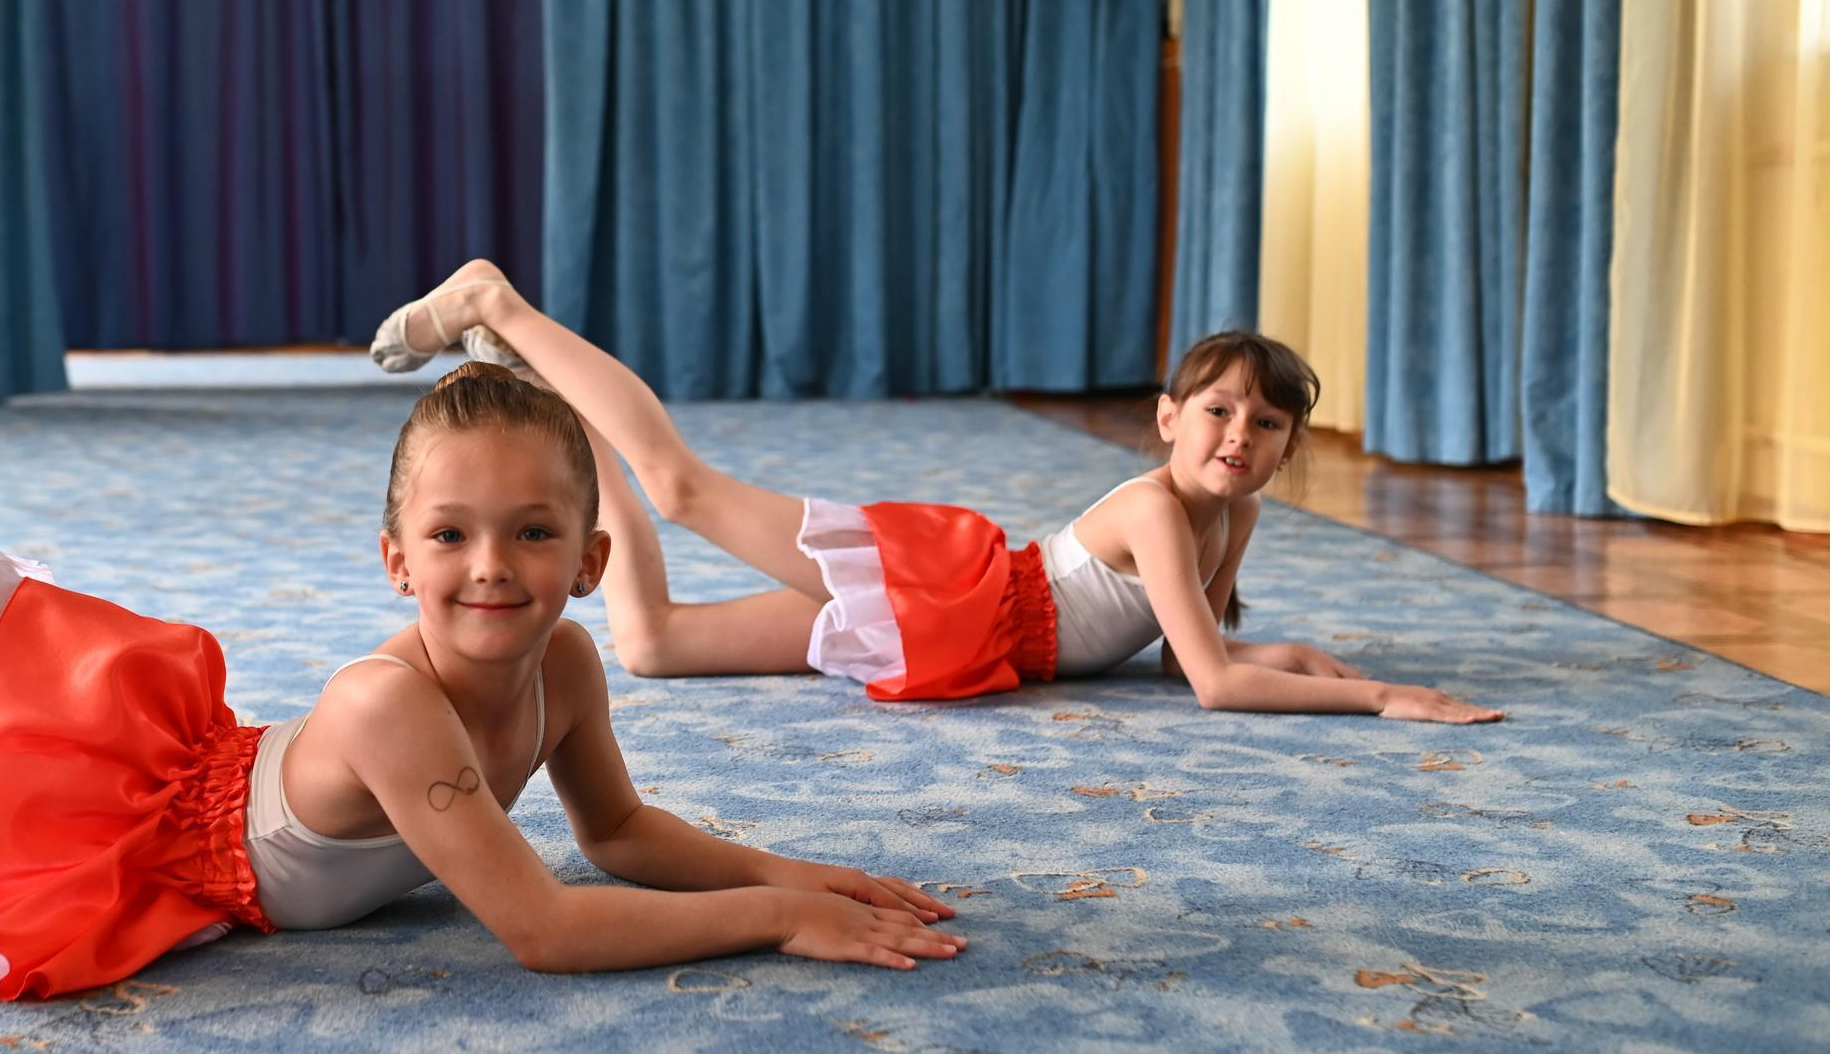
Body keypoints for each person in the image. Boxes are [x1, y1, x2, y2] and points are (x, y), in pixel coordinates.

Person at [0, 0, 965, 1003]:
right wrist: (774, 920)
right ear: (394, 557)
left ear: (591, 559)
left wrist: (802, 868)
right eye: (450, 537)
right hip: (100, 750)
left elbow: (624, 841)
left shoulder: (569, 661)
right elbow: (541, 925)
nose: (490, 571)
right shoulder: (392, 706)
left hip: (135, 817)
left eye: (531, 536)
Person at [370, 262, 1503, 724]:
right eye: (1215, 412)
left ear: (1289, 447)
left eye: (1264, 425)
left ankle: (571, 422)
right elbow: (1208, 682)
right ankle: (497, 301)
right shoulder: (1160, 508)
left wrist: (1291, 655)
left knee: (654, 646)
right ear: (1167, 419)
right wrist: (1378, 699)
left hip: (966, 636)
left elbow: (1176, 653)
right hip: (946, 589)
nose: (1236, 438)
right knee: (682, 488)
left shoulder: (1233, 512)